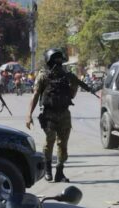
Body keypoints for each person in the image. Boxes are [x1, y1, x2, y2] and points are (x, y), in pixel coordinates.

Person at [26, 48, 80, 182]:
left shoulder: (67, 76)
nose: (58, 62)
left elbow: (72, 94)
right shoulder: (43, 75)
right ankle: (48, 171)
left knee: (62, 144)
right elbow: (36, 95)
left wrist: (73, 85)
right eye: (57, 59)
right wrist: (29, 114)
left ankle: (59, 172)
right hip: (49, 114)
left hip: (64, 113)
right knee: (50, 142)